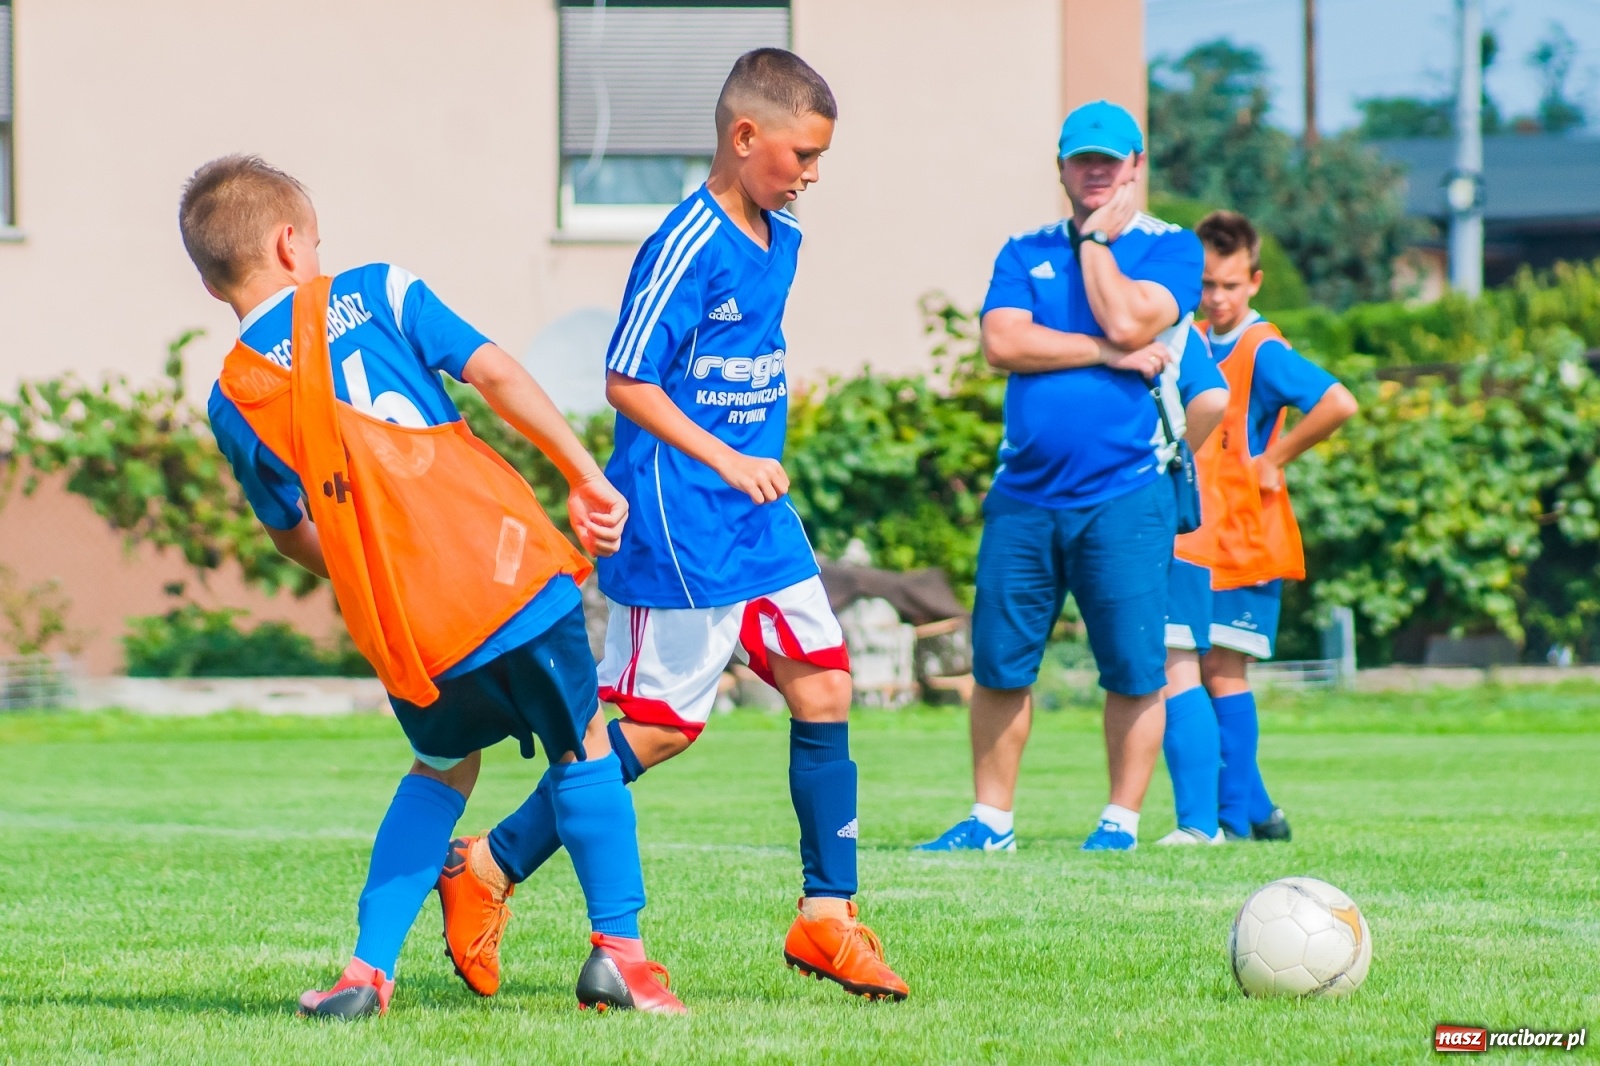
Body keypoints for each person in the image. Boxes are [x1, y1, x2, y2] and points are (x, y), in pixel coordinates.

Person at [430, 48, 909, 1003]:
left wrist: (752, 443)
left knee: (824, 687)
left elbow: (740, 357)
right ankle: (485, 867)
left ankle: (827, 917)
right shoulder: (684, 242)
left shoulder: (786, 239)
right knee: (654, 729)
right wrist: (724, 455)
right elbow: (626, 379)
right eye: (802, 154)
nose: (813, 174)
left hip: (758, 520)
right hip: (679, 521)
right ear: (745, 137)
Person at [183, 155, 684, 1018]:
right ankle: (620, 959)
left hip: (411, 625)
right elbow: (492, 373)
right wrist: (582, 473)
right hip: (508, 570)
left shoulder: (233, 399)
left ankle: (366, 973)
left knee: (442, 763)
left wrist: (381, 567)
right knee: (582, 743)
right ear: (290, 242)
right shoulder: (375, 289)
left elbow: (294, 531)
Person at [918, 101, 1228, 855]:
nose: (1095, 171)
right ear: (1060, 167)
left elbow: (1132, 321)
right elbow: (1001, 341)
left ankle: (1118, 824)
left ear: (1135, 168)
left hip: (1127, 494)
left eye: (1109, 160)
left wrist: (1094, 245)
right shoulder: (1023, 251)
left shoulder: (1172, 250)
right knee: (998, 662)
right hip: (1024, 495)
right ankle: (992, 822)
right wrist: (1102, 354)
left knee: (1131, 667)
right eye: (1081, 159)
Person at [1157, 210, 1359, 846]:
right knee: (1196, 671)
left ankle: (1233, 820)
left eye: (1230, 285)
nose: (1216, 297)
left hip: (1245, 538)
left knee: (1222, 675)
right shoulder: (1187, 339)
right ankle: (1259, 811)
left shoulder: (1261, 348)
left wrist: (1274, 458)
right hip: (1195, 538)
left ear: (1255, 282)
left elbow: (1338, 401)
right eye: (1207, 284)